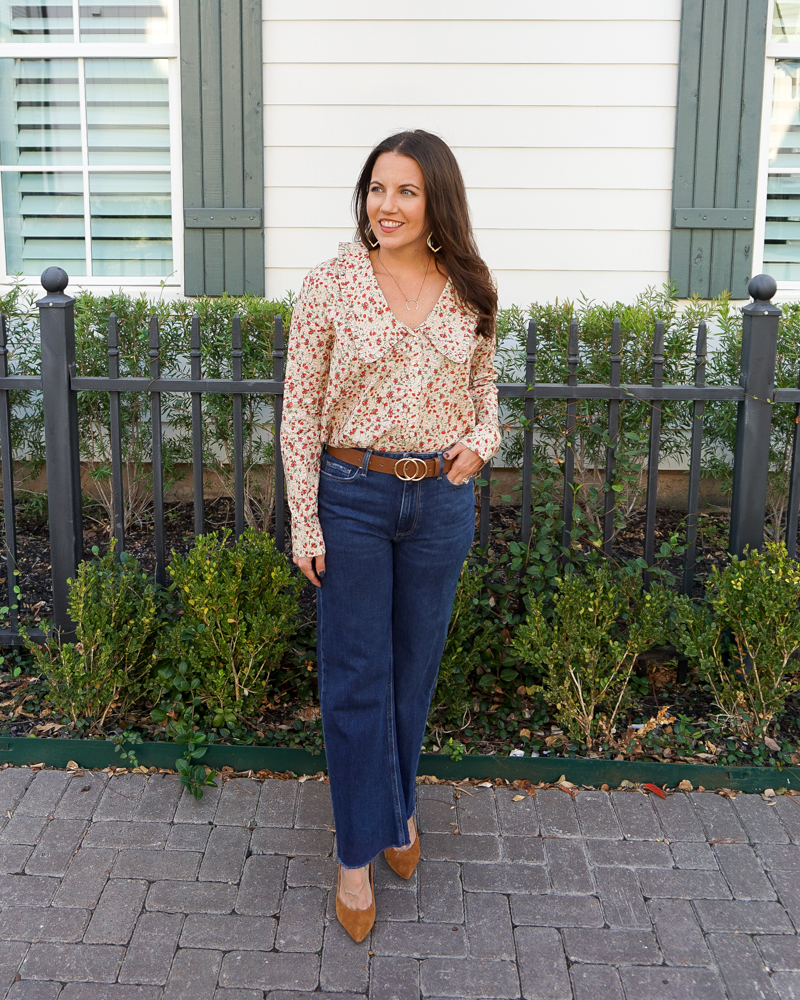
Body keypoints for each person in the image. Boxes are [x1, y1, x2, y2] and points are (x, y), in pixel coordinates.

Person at [281, 129, 501, 941]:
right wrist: (305, 515)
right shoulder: (331, 284)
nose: (388, 205)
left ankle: (400, 810)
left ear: (435, 198)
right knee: (355, 676)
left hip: (439, 503)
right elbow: (299, 410)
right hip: (352, 496)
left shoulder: (471, 286)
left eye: (406, 190)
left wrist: (483, 443)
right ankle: (353, 853)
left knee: (413, 670)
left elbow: (487, 393)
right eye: (378, 188)